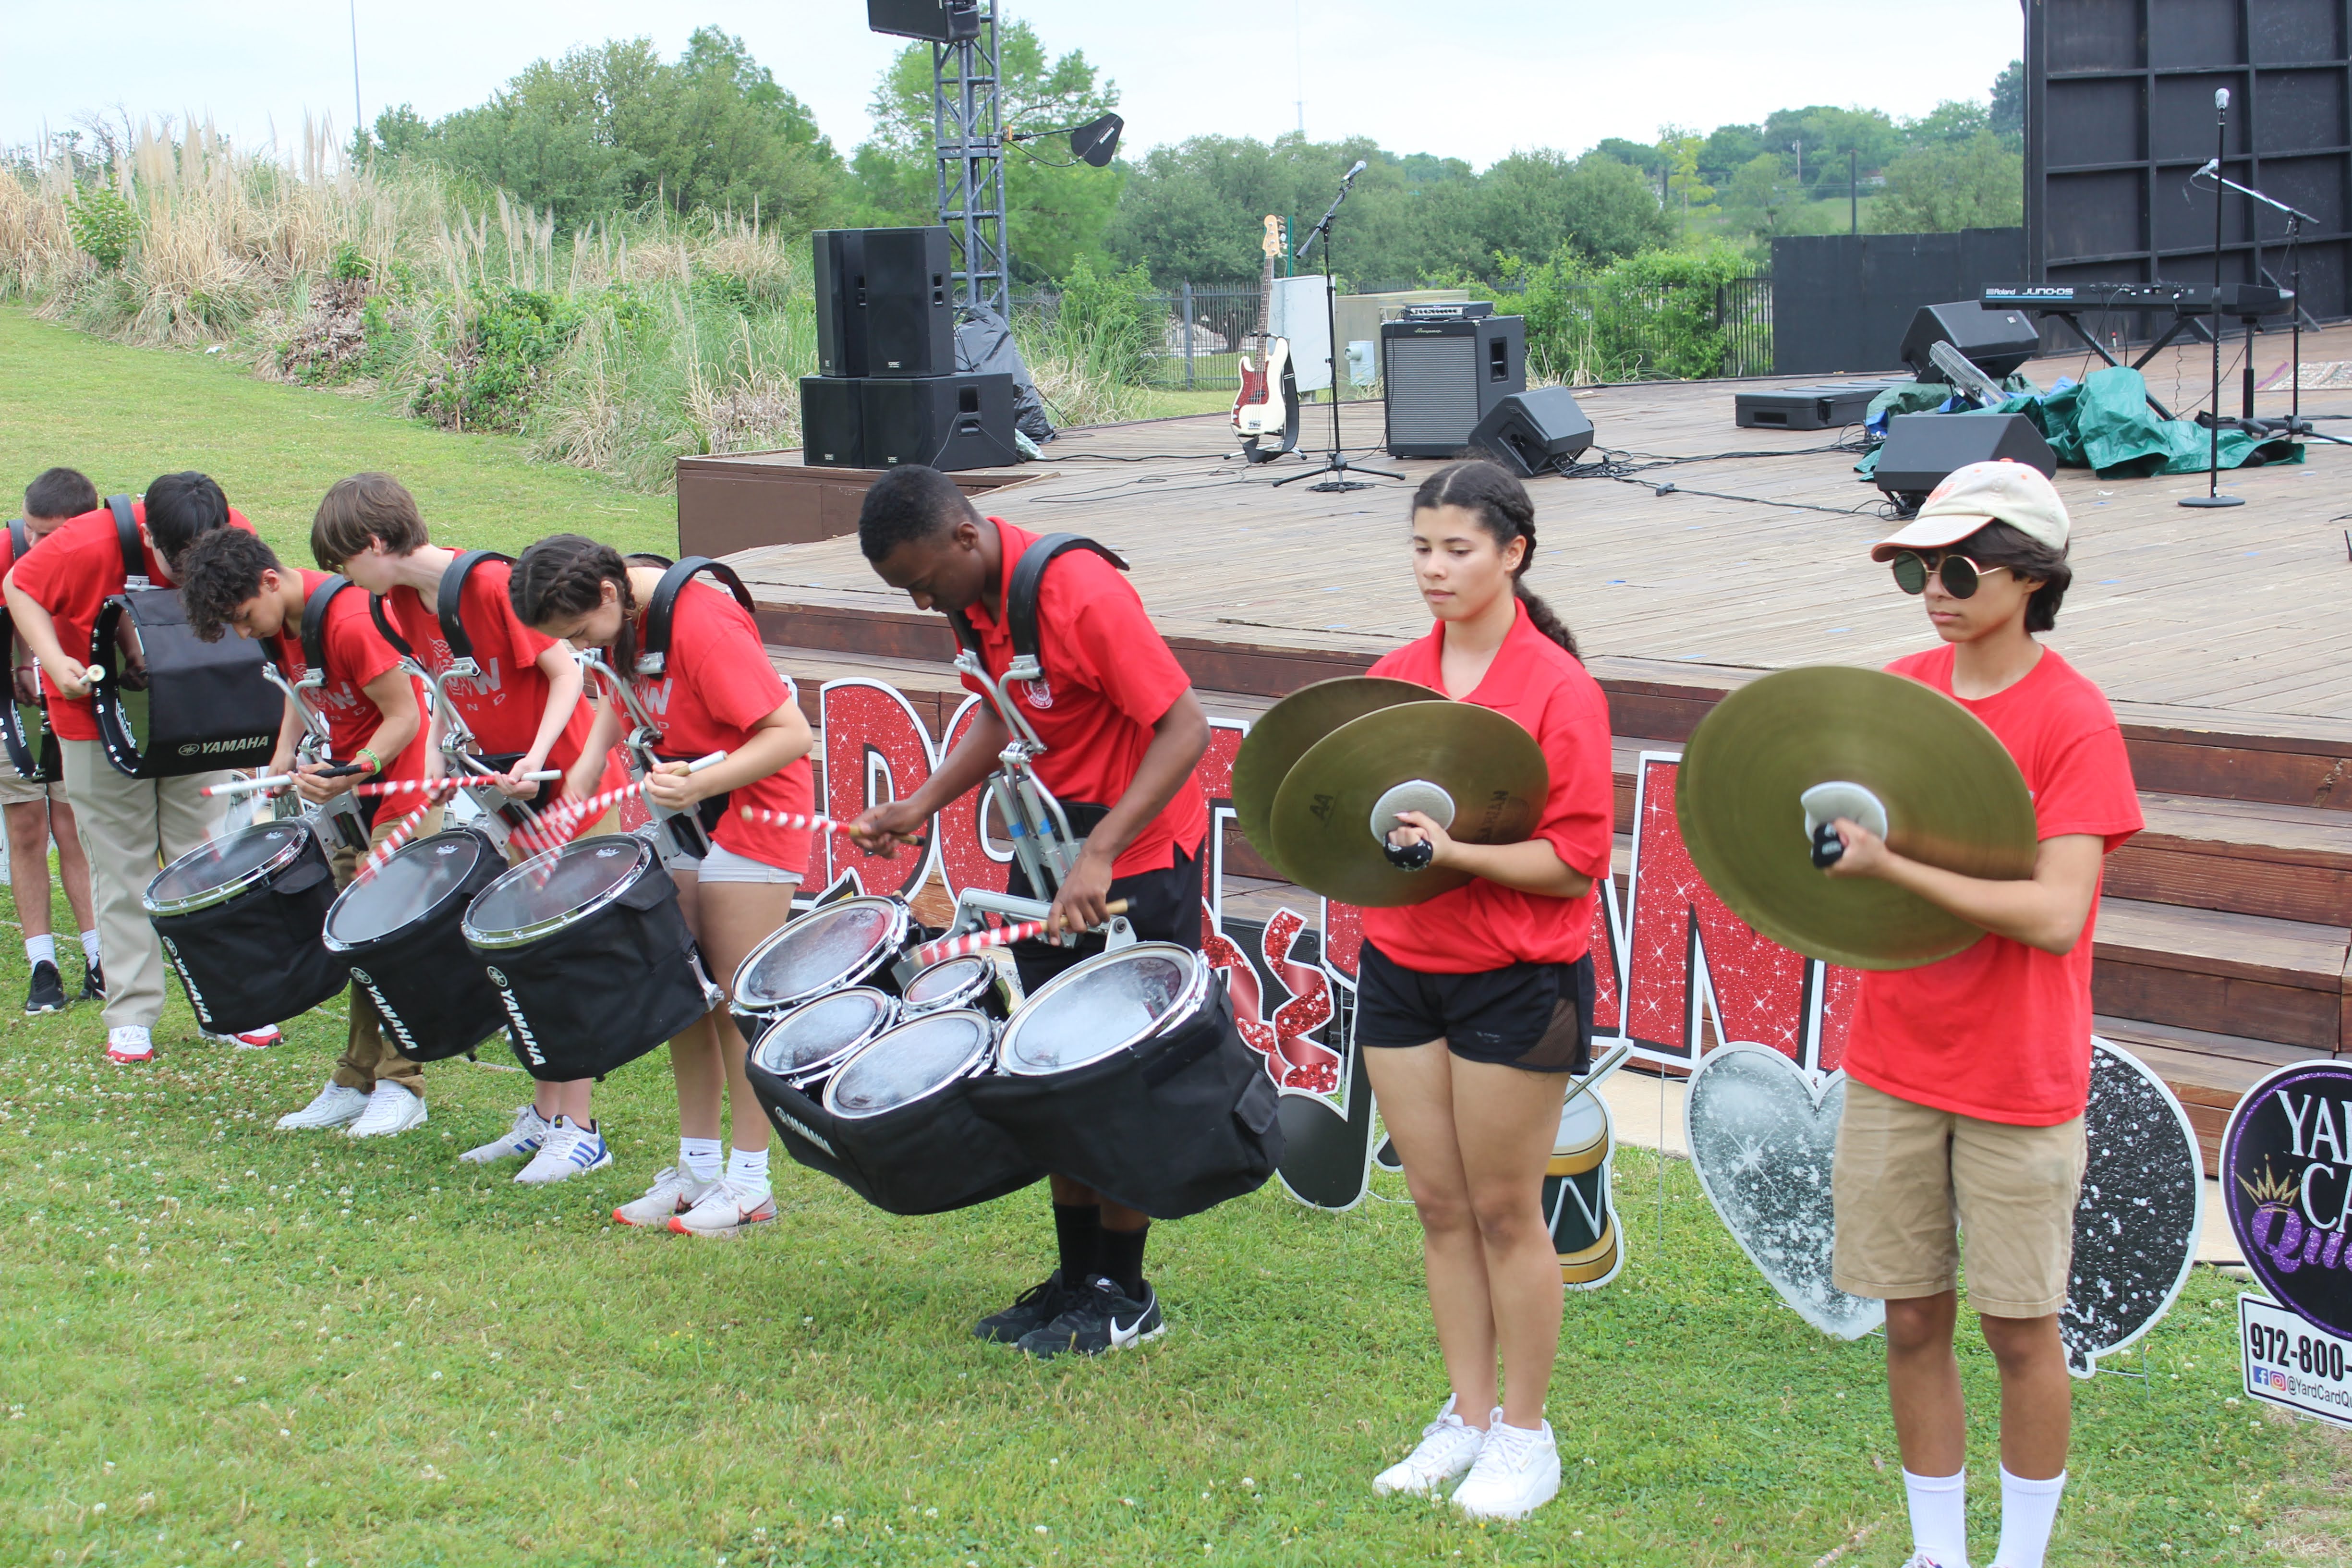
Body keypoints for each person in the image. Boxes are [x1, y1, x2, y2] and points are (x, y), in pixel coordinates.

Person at [1823, 461, 2142, 1568]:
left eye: (1957, 570)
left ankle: (2018, 1557)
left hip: (2016, 1072)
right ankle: (1935, 1552)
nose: (1932, 591)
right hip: (1893, 1058)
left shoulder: (2073, 718)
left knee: (2017, 1327)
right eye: (1916, 568)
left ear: (2028, 576)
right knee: (1908, 1316)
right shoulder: (1898, 692)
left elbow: (2054, 913)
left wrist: (1890, 868)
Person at [850, 463, 1210, 1359]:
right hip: (1055, 854)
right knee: (1053, 1064)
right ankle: (1075, 1276)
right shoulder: (975, 603)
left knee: (1119, 1075)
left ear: (965, 537)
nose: (923, 602)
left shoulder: (1080, 592)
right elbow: (1000, 715)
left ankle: (1124, 1293)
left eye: (923, 582)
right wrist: (919, 803)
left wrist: (1102, 851)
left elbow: (1186, 728)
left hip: (1134, 857)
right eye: (906, 592)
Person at [1346, 460, 1612, 1522]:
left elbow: (1575, 863)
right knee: (1438, 1204)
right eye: (1421, 547)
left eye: (1457, 549)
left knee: (1506, 1209)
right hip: (1401, 972)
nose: (1434, 568)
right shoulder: (1392, 678)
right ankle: (1464, 1415)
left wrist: (1456, 855)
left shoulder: (1557, 688)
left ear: (1513, 553)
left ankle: (1524, 1436)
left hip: (1516, 981)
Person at [314, 473, 625, 1183]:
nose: (343, 578)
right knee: (525, 954)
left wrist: (538, 758)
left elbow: (565, 673)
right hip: (509, 801)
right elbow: (442, 692)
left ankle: (580, 1130)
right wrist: (436, 766)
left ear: (374, 543)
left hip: (570, 790)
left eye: (344, 561)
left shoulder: (487, 585)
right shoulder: (394, 606)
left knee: (563, 955)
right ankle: (544, 1117)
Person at [509, 535, 817, 1237]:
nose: (579, 647)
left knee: (737, 999)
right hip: (688, 810)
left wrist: (702, 784)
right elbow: (617, 697)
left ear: (609, 593)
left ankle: (751, 1185)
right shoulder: (622, 618)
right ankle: (696, 1171)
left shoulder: (702, 621)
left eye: (580, 631)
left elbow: (790, 734)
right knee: (686, 994)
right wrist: (584, 771)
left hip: (756, 808)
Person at [1, 472, 273, 1064]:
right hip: (92, 722)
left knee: (203, 858)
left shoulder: (233, 531)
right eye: (181, 570)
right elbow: (18, 585)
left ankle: (231, 1006)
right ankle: (131, 1015)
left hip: (197, 715)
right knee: (122, 863)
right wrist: (55, 661)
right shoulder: (83, 543)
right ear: (148, 536)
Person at [175, 526, 434, 1140]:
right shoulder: (280, 625)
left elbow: (406, 715)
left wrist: (355, 770)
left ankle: (402, 1086)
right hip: (347, 797)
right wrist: (281, 758)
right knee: (355, 939)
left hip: (403, 790)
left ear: (271, 581)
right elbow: (301, 690)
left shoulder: (348, 620)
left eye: (244, 618)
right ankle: (355, 1079)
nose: (245, 633)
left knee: (387, 938)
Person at [3, 467, 102, 1013]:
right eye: (29, 530)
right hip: (13, 708)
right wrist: (21, 662)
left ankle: (98, 956)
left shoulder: (103, 552)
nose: (35, 544)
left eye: (50, 534)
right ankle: (42, 964)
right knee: (25, 828)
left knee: (74, 827)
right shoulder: (8, 550)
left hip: (77, 708)